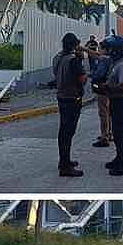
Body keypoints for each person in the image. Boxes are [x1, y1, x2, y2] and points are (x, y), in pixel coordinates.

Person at [52, 32, 88, 177]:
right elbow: (82, 79)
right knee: (68, 132)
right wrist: (80, 61)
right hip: (72, 98)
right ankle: (65, 167)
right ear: (74, 45)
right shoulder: (73, 60)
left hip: (61, 96)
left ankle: (64, 161)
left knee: (63, 132)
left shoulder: (58, 58)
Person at [101, 35, 123, 176]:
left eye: (111, 49)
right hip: (117, 102)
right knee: (117, 134)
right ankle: (119, 159)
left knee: (122, 135)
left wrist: (107, 88)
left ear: (117, 50)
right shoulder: (118, 62)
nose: (109, 52)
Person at [87, 38, 112, 148]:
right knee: (108, 112)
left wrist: (90, 75)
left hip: (102, 89)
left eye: (100, 49)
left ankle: (104, 137)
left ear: (104, 49)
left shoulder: (104, 60)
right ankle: (109, 133)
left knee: (103, 113)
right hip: (109, 88)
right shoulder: (110, 58)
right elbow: (96, 55)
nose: (98, 50)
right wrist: (85, 49)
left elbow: (99, 74)